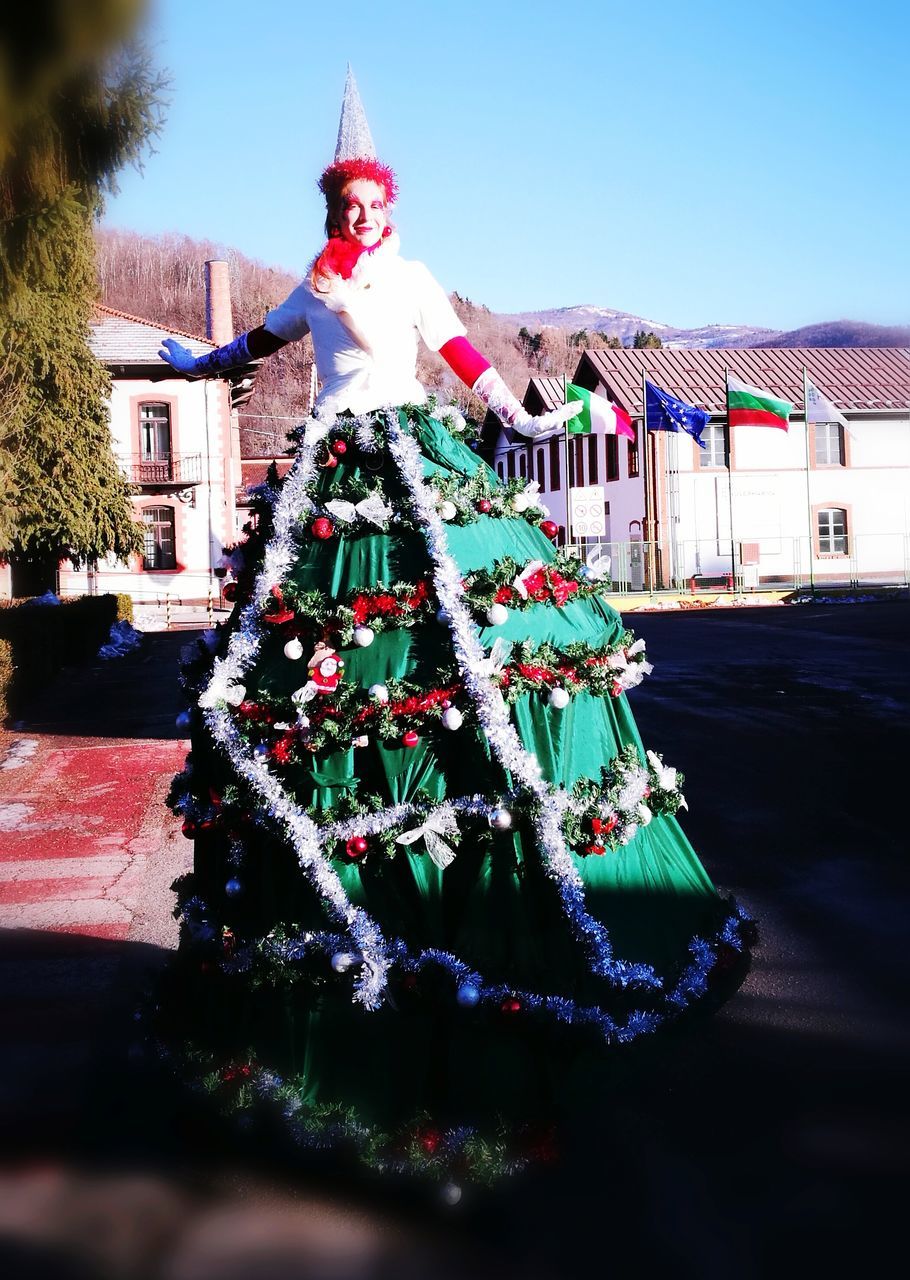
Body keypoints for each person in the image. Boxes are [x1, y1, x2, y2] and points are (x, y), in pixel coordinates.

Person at [157, 70, 752, 1196]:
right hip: (334, 476)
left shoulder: (416, 278)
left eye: (372, 197)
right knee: (325, 661)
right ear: (333, 208)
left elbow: (466, 364)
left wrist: (529, 408)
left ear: (392, 203)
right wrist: (201, 363)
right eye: (346, 199)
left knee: (467, 642)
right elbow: (259, 349)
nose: (360, 214)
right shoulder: (313, 283)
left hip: (413, 454)